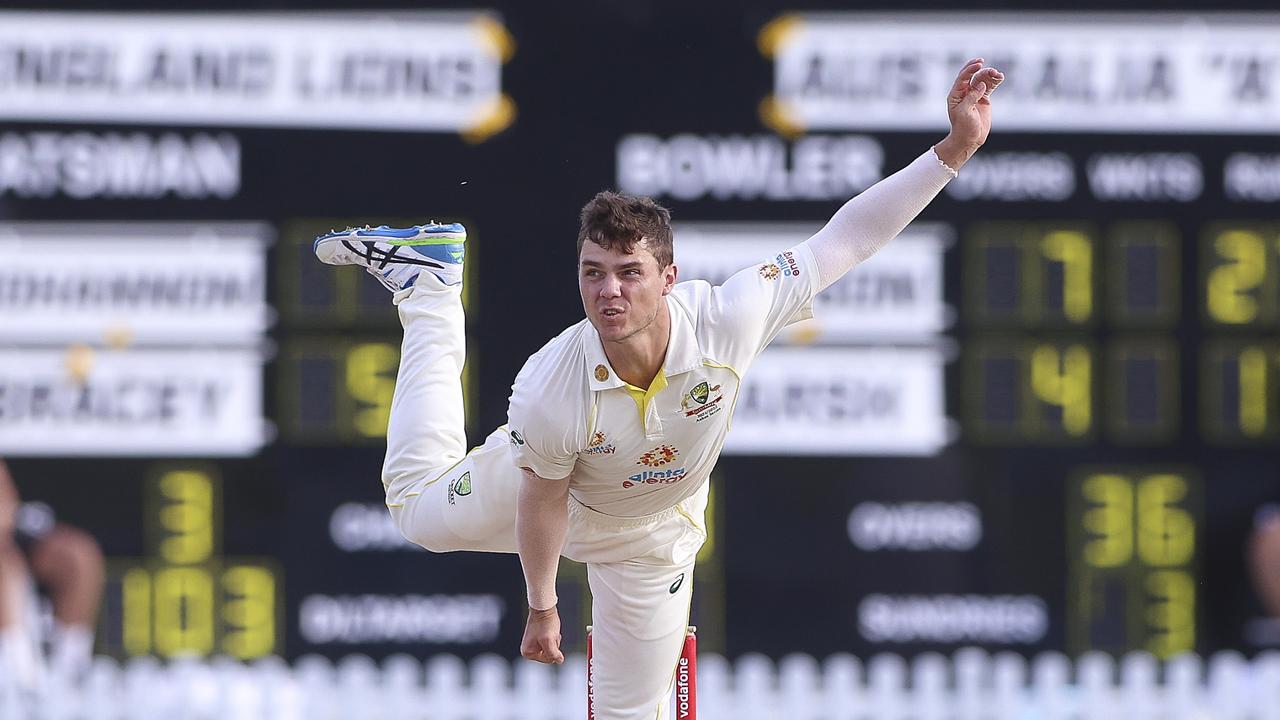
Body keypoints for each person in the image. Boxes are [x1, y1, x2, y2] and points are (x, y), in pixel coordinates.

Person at [314, 58, 1003, 719]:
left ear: (668, 277)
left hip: (653, 537)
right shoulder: (549, 386)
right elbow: (543, 499)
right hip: (553, 493)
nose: (608, 291)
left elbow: (845, 241)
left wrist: (953, 150)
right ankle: (431, 288)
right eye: (592, 272)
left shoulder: (728, 317)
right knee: (412, 512)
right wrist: (543, 606)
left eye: (628, 272)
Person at [0, 459, 105, 687]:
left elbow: (5, 511)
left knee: (78, 555)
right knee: (3, 563)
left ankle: (69, 674)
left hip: (14, 539)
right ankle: (21, 679)